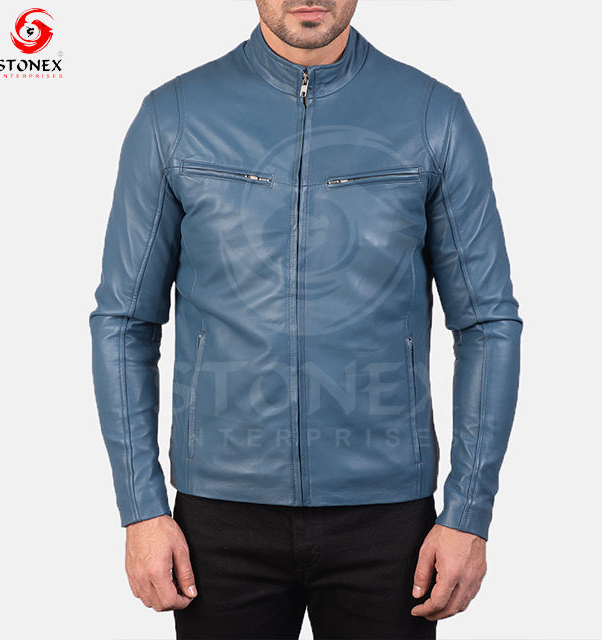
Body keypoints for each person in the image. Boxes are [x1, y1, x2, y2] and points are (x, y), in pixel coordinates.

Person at [89, 1, 522, 638]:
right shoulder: (174, 116)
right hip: (219, 520)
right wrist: (141, 508)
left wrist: (469, 512)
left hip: (388, 523)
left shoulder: (433, 116)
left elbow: (487, 324)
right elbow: (124, 322)